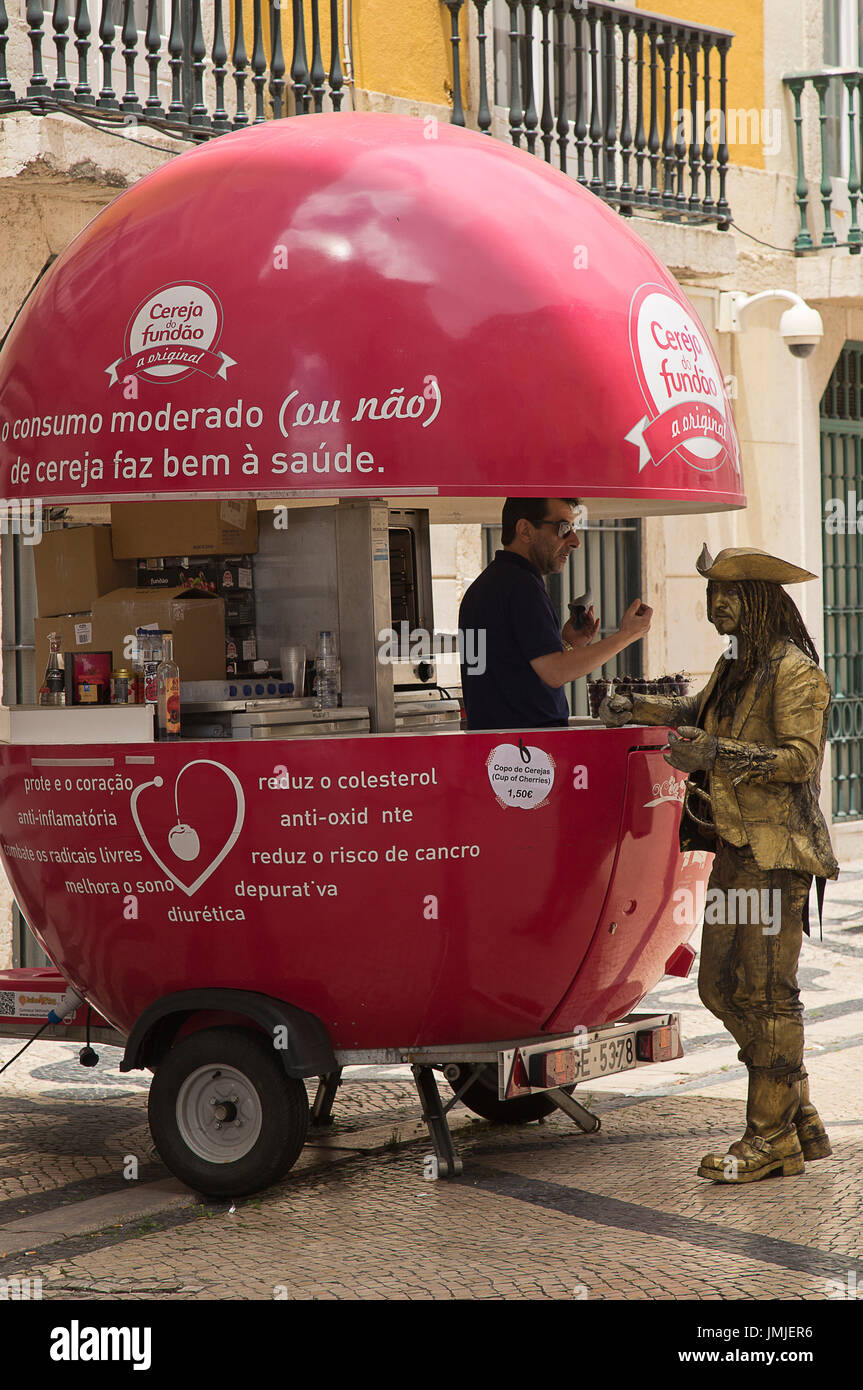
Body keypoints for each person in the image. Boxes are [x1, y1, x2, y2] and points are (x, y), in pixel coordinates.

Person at [600, 545, 839, 1184]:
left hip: (776, 853)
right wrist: (640, 707)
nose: (713, 612)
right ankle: (795, 1105)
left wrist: (715, 754)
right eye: (709, 600)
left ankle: (768, 1138)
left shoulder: (794, 672)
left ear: (758, 601)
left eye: (725, 599)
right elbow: (695, 714)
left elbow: (797, 761)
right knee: (717, 987)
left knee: (767, 995)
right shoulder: (737, 664)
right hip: (734, 849)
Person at [458, 496, 652, 731]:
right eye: (564, 528)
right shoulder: (521, 586)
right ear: (525, 530)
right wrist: (628, 635)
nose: (575, 541)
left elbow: (510, 671)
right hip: (527, 751)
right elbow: (555, 672)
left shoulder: (485, 586)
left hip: (500, 746)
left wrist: (568, 644)